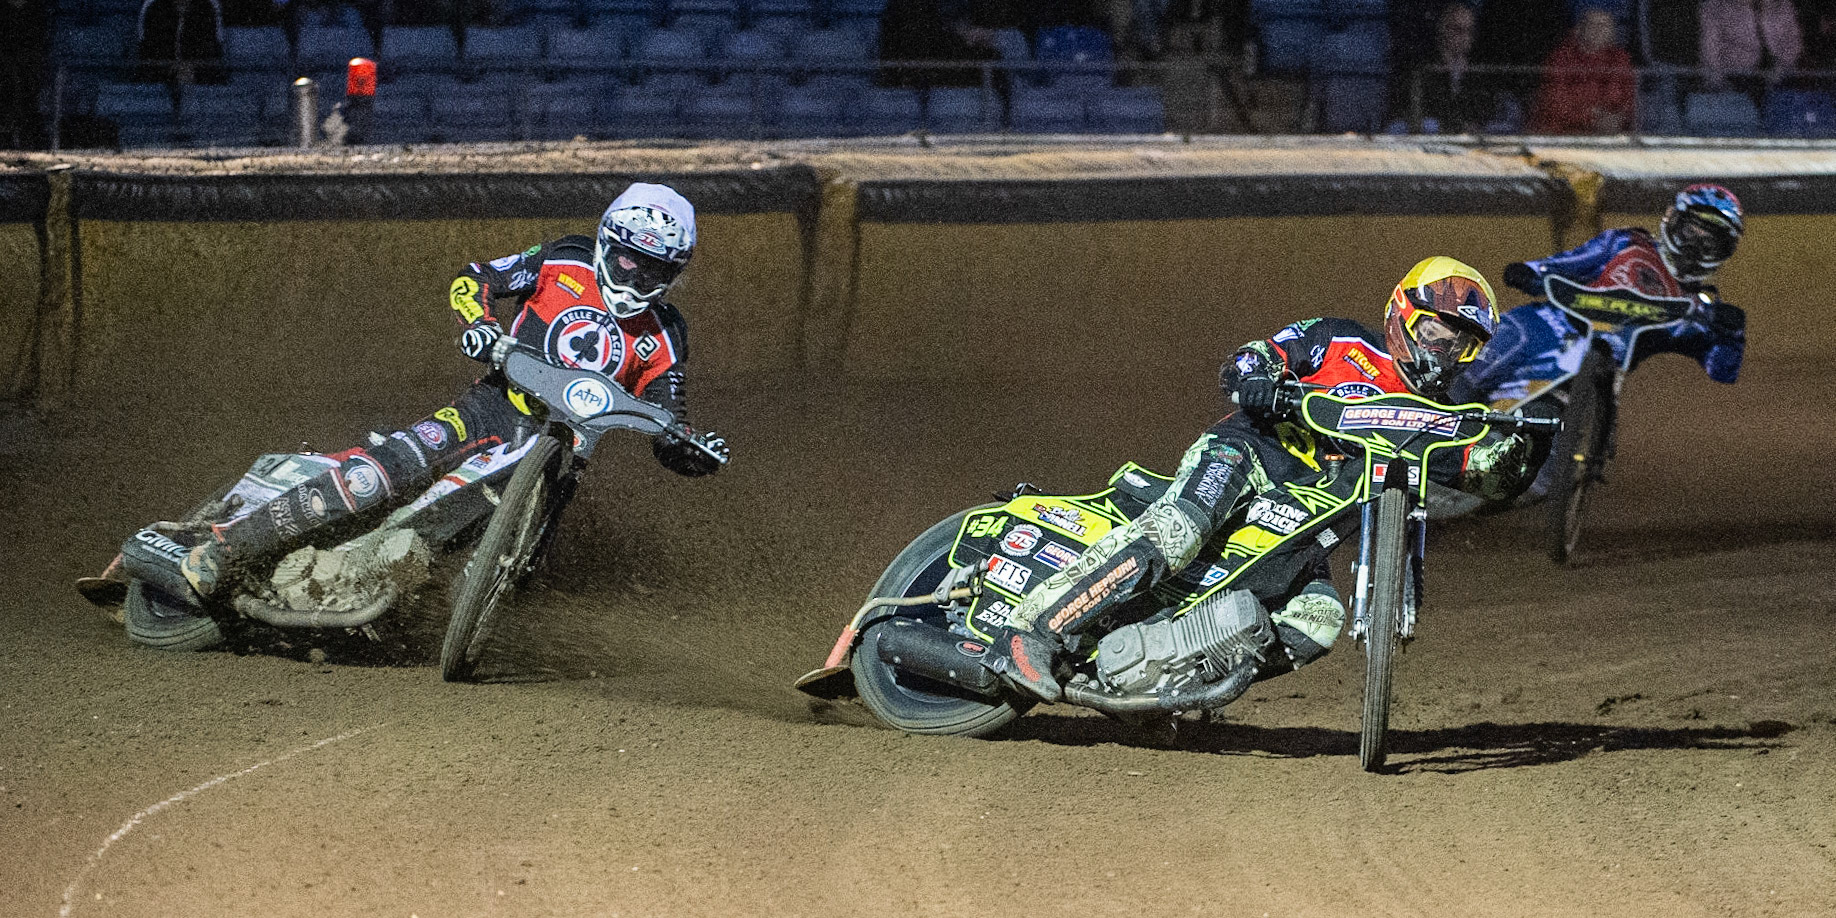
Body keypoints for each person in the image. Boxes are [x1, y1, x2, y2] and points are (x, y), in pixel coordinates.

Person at [115, 183, 730, 603]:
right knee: (378, 474)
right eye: (627, 262)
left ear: (675, 272)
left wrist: (691, 451)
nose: (635, 278)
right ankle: (220, 550)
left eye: (655, 271)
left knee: (508, 555)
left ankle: (427, 600)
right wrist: (481, 326)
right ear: (607, 243)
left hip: (560, 456)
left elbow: (668, 417)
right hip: (491, 407)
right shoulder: (562, 260)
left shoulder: (666, 333)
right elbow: (477, 278)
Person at [980, 257, 1545, 702]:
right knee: (1179, 531)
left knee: (1319, 619)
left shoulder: (1446, 416)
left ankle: (1168, 687)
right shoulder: (1340, 338)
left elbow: (1491, 470)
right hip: (1249, 453)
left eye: (1462, 345)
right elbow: (1253, 355)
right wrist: (1260, 379)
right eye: (1436, 334)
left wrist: (1526, 451)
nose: (1444, 353)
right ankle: (1032, 633)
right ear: (1402, 316)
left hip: (1310, 523)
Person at [1453, 183, 1747, 411]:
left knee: (1552, 466)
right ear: (1672, 218)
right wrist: (1531, 272)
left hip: (1602, 369)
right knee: (1489, 355)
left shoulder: (1700, 307)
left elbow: (1721, 369)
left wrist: (1731, 333)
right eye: (1692, 231)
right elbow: (1565, 263)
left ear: (1726, 250)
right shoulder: (1626, 243)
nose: (1698, 245)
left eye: (1711, 242)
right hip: (1553, 323)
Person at [1527, 7, 1638, 133]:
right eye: (1593, 24)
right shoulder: (1560, 58)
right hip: (1561, 134)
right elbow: (1555, 104)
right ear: (1578, 29)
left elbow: (1630, 98)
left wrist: (1618, 118)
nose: (1599, 30)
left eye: (1605, 25)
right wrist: (1592, 117)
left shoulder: (1621, 59)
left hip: (1609, 133)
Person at [1698, 0, 1802, 106]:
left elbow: (1793, 43)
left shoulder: (1783, 5)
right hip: (1736, 79)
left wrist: (1782, 68)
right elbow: (1710, 47)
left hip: (1780, 77)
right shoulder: (1716, 6)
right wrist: (1719, 83)